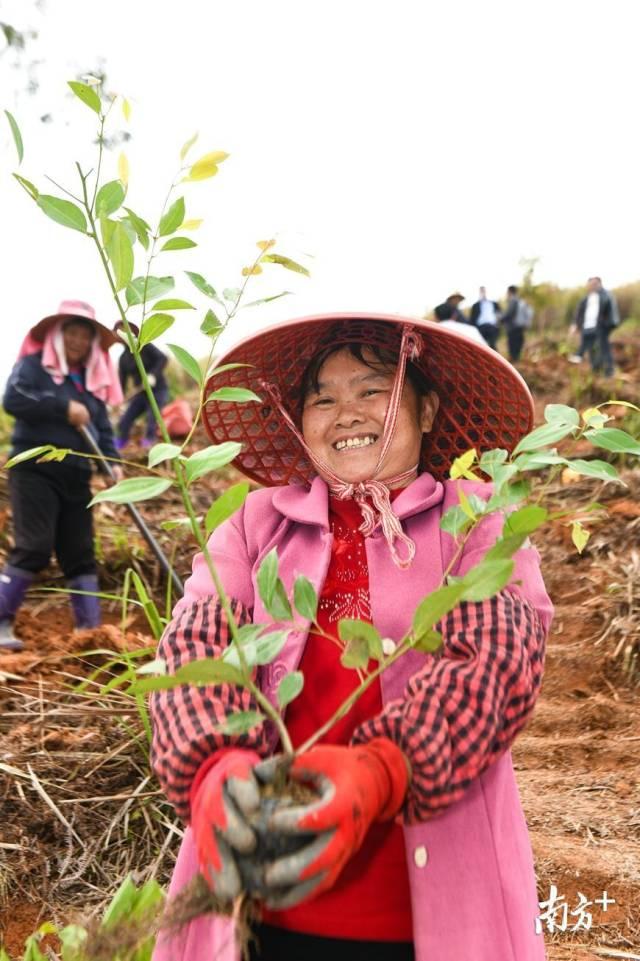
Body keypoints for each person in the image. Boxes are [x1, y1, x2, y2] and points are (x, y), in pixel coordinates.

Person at [150, 313, 553, 961]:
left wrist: (380, 771)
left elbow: (498, 662)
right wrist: (213, 768)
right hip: (260, 898)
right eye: (322, 397)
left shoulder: (475, 520)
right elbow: (194, 647)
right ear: (298, 420)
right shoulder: (255, 525)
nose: (346, 412)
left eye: (371, 390)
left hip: (419, 919)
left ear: (426, 410)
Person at [0, 300, 123, 652]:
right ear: (58, 334)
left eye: (85, 335)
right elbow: (14, 399)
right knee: (34, 546)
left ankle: (91, 633)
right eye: (72, 332)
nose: (78, 341)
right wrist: (62, 407)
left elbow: (102, 428)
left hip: (77, 475)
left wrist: (111, 463)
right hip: (35, 471)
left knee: (80, 552)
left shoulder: (90, 384)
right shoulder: (33, 368)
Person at [114, 321, 169, 449]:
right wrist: (119, 400)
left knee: (152, 417)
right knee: (125, 419)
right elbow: (122, 381)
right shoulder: (123, 358)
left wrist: (152, 375)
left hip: (158, 389)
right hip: (141, 393)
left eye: (125, 329)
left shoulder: (145, 346)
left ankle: (150, 444)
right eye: (119, 331)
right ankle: (121, 442)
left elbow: (163, 358)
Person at [568, 276, 619, 376]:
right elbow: (579, 312)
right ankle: (594, 369)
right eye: (590, 284)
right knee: (591, 349)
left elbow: (610, 311)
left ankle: (609, 372)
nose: (592, 286)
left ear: (599, 283)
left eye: (594, 284)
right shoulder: (587, 298)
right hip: (587, 327)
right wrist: (575, 325)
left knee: (604, 348)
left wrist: (609, 324)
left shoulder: (606, 295)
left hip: (601, 327)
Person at [501, 284, 533, 363]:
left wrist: (501, 320)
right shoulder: (521, 301)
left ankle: (514, 363)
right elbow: (530, 313)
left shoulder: (513, 301)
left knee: (513, 346)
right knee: (518, 345)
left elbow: (509, 314)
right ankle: (517, 361)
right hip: (520, 327)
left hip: (513, 328)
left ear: (510, 292)